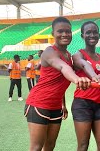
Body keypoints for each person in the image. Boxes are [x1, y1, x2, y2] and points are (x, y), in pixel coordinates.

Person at [24, 17, 91, 151]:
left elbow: (59, 84)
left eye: (68, 31)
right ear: (53, 34)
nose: (65, 34)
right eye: (60, 31)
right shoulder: (50, 51)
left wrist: (63, 105)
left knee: (50, 146)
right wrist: (77, 79)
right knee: (36, 147)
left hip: (55, 107)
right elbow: (62, 68)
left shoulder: (68, 55)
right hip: (39, 103)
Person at [71, 21, 100, 151]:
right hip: (82, 104)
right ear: (83, 35)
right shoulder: (79, 55)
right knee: (83, 146)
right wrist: (94, 75)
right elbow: (84, 64)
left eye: (95, 32)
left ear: (99, 35)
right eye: (88, 32)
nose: (92, 35)